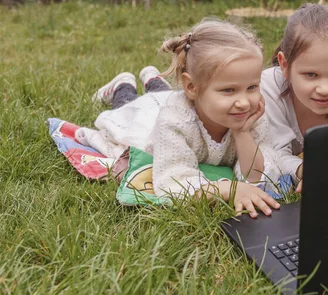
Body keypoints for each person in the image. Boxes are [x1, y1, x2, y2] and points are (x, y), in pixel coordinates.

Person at [76, 19, 281, 218]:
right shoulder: (174, 121)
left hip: (176, 98)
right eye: (229, 90)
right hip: (149, 115)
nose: (244, 102)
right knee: (130, 106)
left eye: (252, 87)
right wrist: (228, 189)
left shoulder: (251, 117)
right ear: (191, 87)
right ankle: (122, 85)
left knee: (160, 93)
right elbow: (174, 181)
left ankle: (153, 79)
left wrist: (242, 133)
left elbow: (258, 176)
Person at [261, 3, 328, 193]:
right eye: (311, 75)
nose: (326, 89)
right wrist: (310, 172)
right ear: (284, 65)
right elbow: (275, 153)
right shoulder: (269, 87)